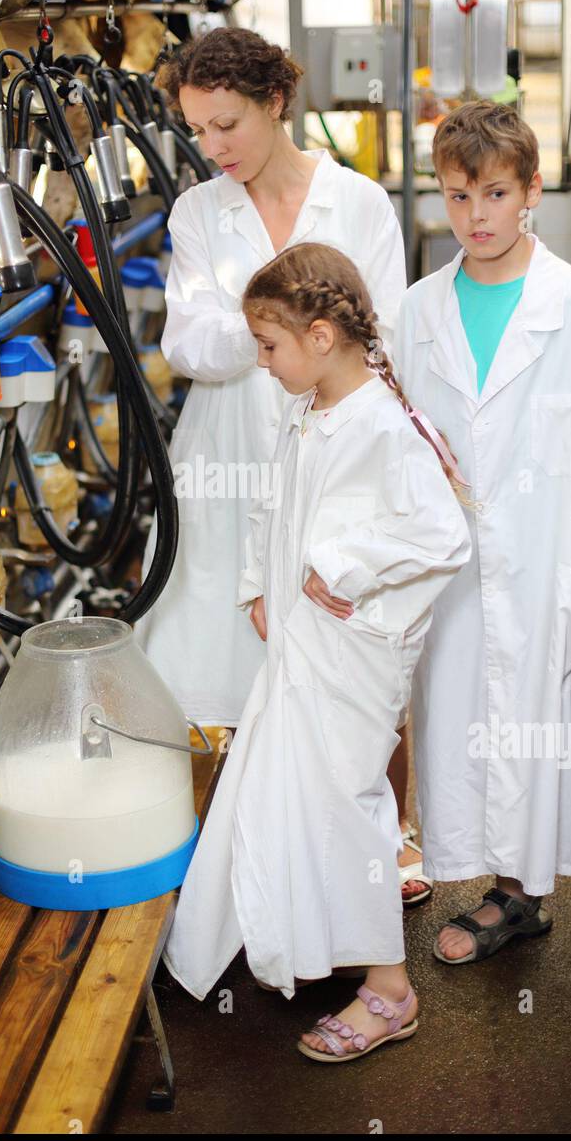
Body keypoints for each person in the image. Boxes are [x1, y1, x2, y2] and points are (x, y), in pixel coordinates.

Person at [133, 28, 431, 901]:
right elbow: (187, 344)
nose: (211, 146)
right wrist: (285, 327)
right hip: (225, 463)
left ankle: (391, 840)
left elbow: (382, 341)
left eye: (226, 124)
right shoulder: (198, 211)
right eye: (198, 129)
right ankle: (252, 856)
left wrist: (259, 325)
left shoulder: (360, 203)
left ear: (275, 104)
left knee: (362, 654)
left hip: (339, 453)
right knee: (222, 661)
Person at [161, 243, 472, 1060]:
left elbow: (441, 532)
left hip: (353, 655)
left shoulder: (382, 421)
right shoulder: (309, 408)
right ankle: (285, 937)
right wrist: (260, 585)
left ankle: (390, 991)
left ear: (324, 336)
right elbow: (273, 503)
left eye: (270, 346)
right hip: (303, 645)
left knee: (347, 808)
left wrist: (345, 569)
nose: (261, 362)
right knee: (282, 791)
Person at [393, 100, 571, 1005]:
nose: (477, 216)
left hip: (553, 572)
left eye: (497, 193)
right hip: (460, 581)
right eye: (460, 195)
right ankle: (515, 896)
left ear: (531, 190)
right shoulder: (418, 312)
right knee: (479, 732)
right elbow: (406, 449)